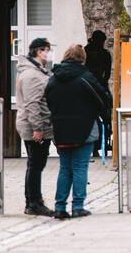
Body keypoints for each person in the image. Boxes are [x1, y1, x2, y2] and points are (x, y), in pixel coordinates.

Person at [45, 44, 113, 219]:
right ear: (83, 58)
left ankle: (60, 207)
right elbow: (102, 99)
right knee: (80, 167)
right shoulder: (85, 78)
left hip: (60, 129)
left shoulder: (53, 79)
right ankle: (77, 206)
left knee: (65, 168)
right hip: (84, 128)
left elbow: (48, 102)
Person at [15, 37, 54, 216]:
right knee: (36, 164)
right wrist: (38, 128)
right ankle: (33, 202)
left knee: (36, 164)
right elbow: (32, 103)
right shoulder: (32, 75)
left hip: (36, 124)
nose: (48, 53)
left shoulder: (36, 72)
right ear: (39, 51)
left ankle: (33, 200)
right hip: (35, 126)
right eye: (47, 50)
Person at [85, 30, 113, 159]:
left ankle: (91, 148)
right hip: (100, 87)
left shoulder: (85, 51)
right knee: (105, 114)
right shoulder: (105, 54)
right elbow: (107, 74)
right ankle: (103, 141)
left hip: (86, 87)